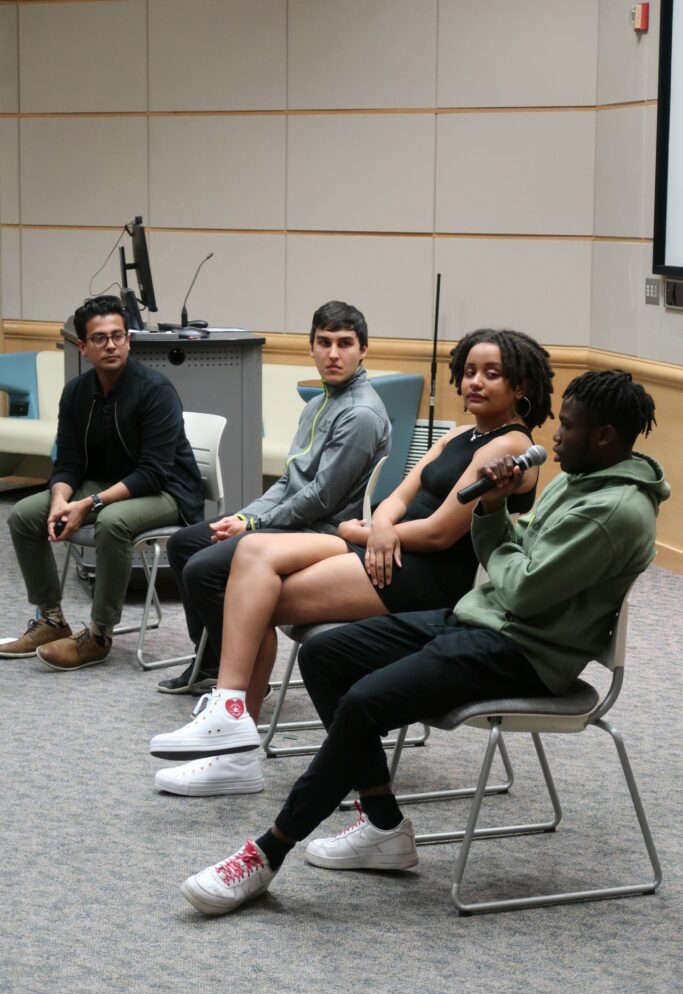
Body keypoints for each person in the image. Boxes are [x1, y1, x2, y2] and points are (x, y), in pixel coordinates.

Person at [176, 369, 669, 916]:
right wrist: (490, 507)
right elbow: (515, 556)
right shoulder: (582, 479)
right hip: (482, 621)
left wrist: (502, 546)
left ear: (604, 437)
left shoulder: (613, 511)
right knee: (323, 655)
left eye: (568, 428)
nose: (553, 439)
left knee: (364, 704)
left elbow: (525, 591)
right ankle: (384, 825)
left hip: (524, 653)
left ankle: (265, 854)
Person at [150, 328, 555, 796]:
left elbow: (442, 532)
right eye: (468, 372)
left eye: (492, 374)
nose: (475, 383)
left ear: (520, 387)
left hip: (425, 575)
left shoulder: (508, 446)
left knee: (259, 597)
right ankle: (231, 718)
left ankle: (234, 748)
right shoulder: (461, 433)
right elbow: (399, 496)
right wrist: (375, 527)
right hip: (386, 550)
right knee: (252, 552)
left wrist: (368, 532)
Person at [158, 299, 391, 697]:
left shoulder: (360, 414)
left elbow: (320, 498)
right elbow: (289, 481)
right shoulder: (319, 403)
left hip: (324, 534)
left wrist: (255, 525)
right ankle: (212, 664)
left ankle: (248, 676)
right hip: (292, 521)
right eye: (324, 342)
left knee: (203, 570)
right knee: (184, 544)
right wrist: (245, 519)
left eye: (345, 343)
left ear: (363, 349)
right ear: (312, 347)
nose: (333, 353)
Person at [0, 295, 203, 671]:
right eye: (99, 338)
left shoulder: (155, 390)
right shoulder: (76, 393)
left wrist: (90, 504)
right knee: (25, 514)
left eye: (118, 336)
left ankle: (98, 635)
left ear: (129, 340)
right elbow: (70, 462)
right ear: (83, 347)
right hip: (104, 484)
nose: (110, 345)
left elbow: (153, 472)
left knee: (113, 522)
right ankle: (51, 620)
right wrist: (61, 499)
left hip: (166, 490)